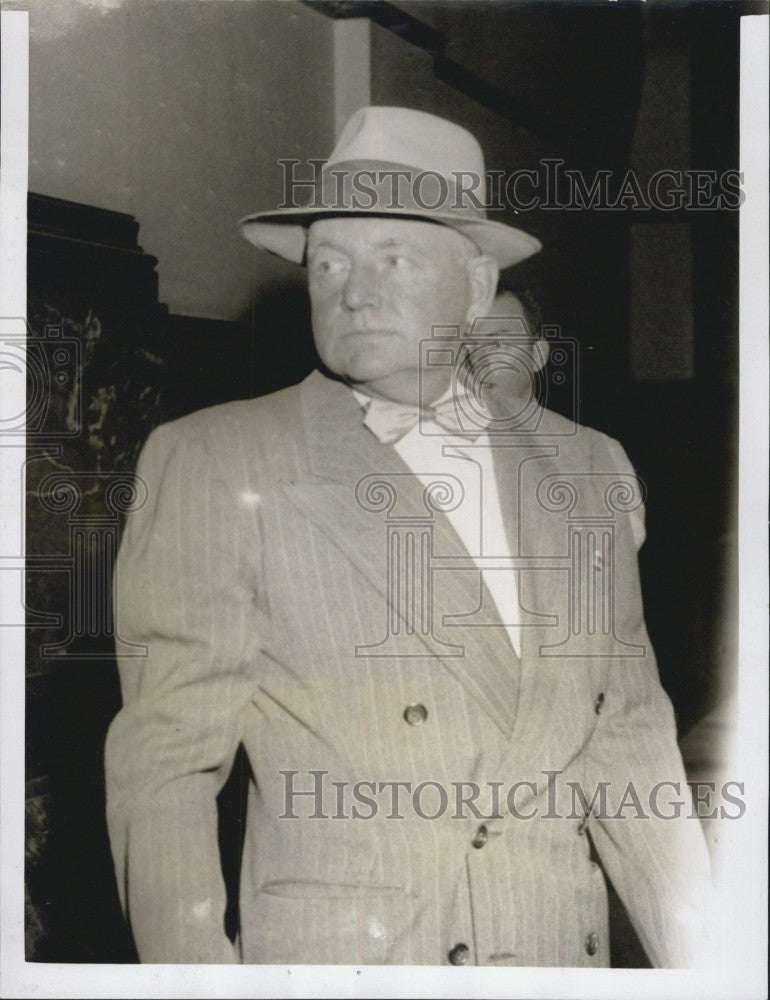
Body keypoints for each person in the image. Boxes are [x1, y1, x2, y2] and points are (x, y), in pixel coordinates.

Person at [105, 106, 714, 967]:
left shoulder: (587, 468)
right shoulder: (215, 460)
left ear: (472, 287)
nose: (355, 290)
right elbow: (163, 772)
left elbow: (631, 742)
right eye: (331, 263)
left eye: (394, 257)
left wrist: (710, 965)